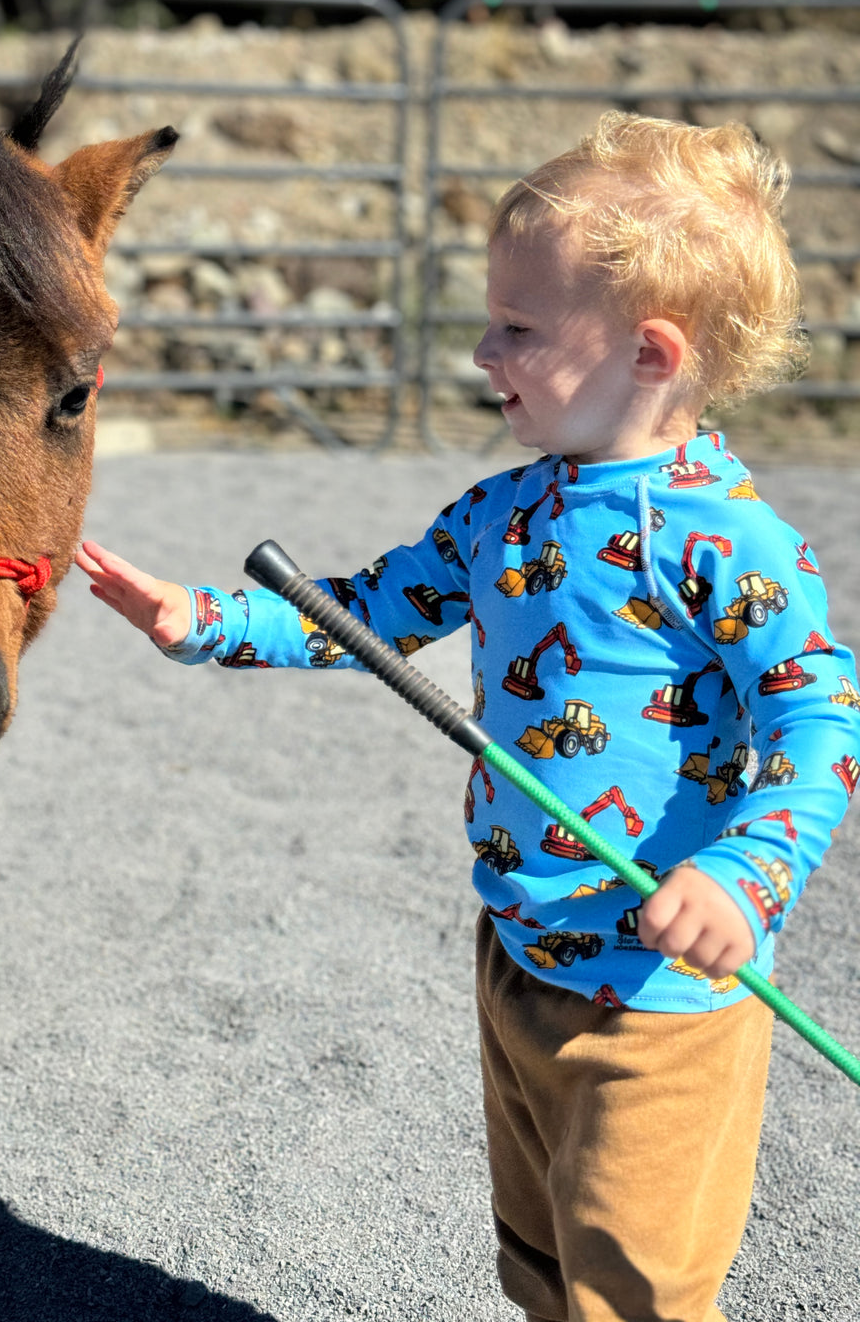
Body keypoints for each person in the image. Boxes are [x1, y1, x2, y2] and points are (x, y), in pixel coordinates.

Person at [75, 112, 860, 1322]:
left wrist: (748, 875)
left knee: (636, 1288)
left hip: (658, 1002)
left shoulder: (728, 541)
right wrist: (207, 617)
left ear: (652, 354)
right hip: (519, 952)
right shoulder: (502, 512)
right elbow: (369, 613)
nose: (484, 350)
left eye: (520, 328)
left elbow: (822, 723)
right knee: (541, 1261)